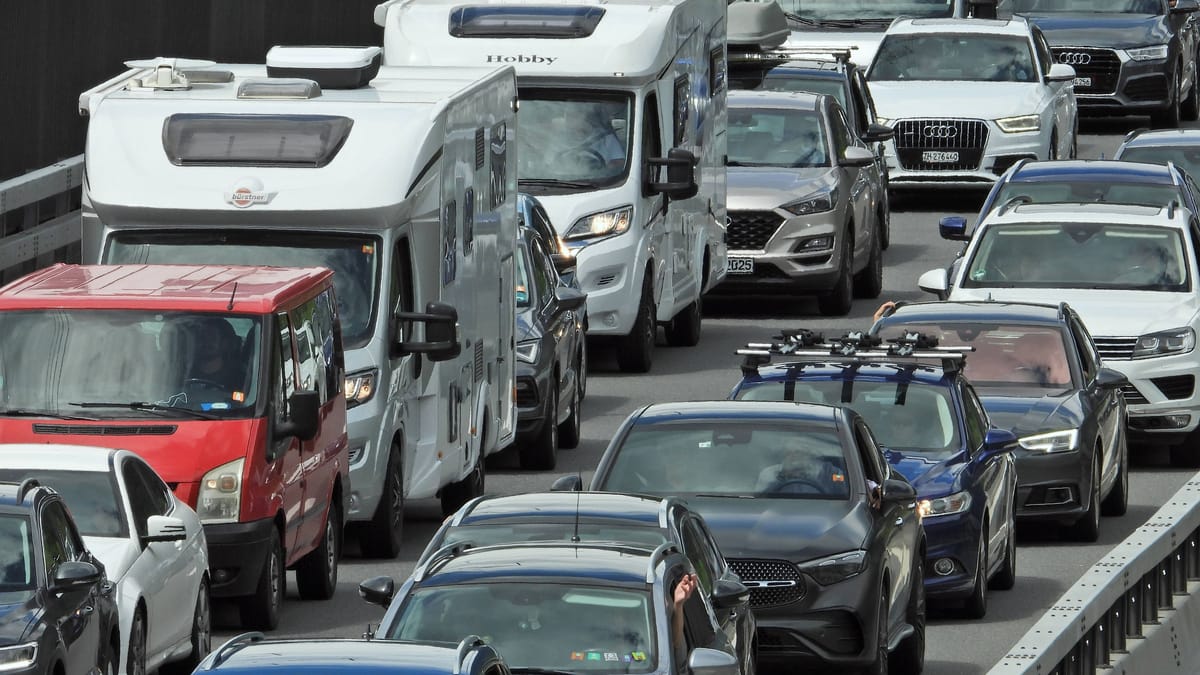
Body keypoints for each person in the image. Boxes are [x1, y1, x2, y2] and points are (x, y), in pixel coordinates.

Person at [755, 439, 845, 495]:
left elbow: (842, 502)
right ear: (783, 456)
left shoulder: (829, 472)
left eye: (799, 453)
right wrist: (783, 475)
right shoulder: (770, 474)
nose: (794, 457)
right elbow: (761, 502)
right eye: (789, 453)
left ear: (810, 455)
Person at [188, 317, 244, 395]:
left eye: (212, 338)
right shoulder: (185, 371)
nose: (206, 342)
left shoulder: (238, 377)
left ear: (225, 344)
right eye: (202, 337)